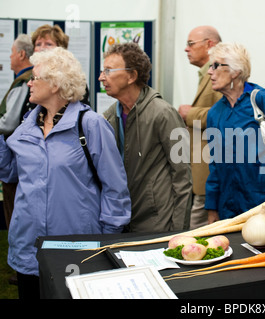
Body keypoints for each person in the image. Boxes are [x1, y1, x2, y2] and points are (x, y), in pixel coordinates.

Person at [0, 47, 131, 299]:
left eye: (35, 77)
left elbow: (115, 187)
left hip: (76, 248)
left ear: (55, 83)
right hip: (29, 245)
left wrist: (107, 239)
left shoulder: (90, 124)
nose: (29, 83)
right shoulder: (27, 126)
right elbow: (9, 173)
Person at [101, 43, 192, 233]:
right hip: (122, 221)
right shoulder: (109, 117)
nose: (101, 77)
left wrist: (178, 231)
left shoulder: (164, 113)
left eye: (108, 71)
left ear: (132, 76)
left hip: (158, 221)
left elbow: (183, 176)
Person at [205, 43, 265, 223]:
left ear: (235, 71)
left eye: (215, 65)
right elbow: (214, 165)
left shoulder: (261, 100)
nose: (209, 72)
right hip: (228, 207)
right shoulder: (214, 113)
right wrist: (212, 207)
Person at [178, 26, 222, 230]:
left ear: (209, 44)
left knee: (197, 234)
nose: (186, 49)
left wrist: (191, 114)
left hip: (210, 173)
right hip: (202, 172)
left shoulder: (219, 74)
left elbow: (223, 114)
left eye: (190, 44)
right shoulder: (205, 75)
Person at [0, 34, 35, 229]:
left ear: (21, 54)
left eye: (12, 53)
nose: (10, 57)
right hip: (20, 159)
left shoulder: (23, 81)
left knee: (14, 214)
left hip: (15, 161)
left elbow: (9, 123)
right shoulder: (25, 80)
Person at [32, 24, 90, 105]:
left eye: (48, 44)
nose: (42, 48)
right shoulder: (31, 78)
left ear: (60, 48)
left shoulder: (73, 78)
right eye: (38, 44)